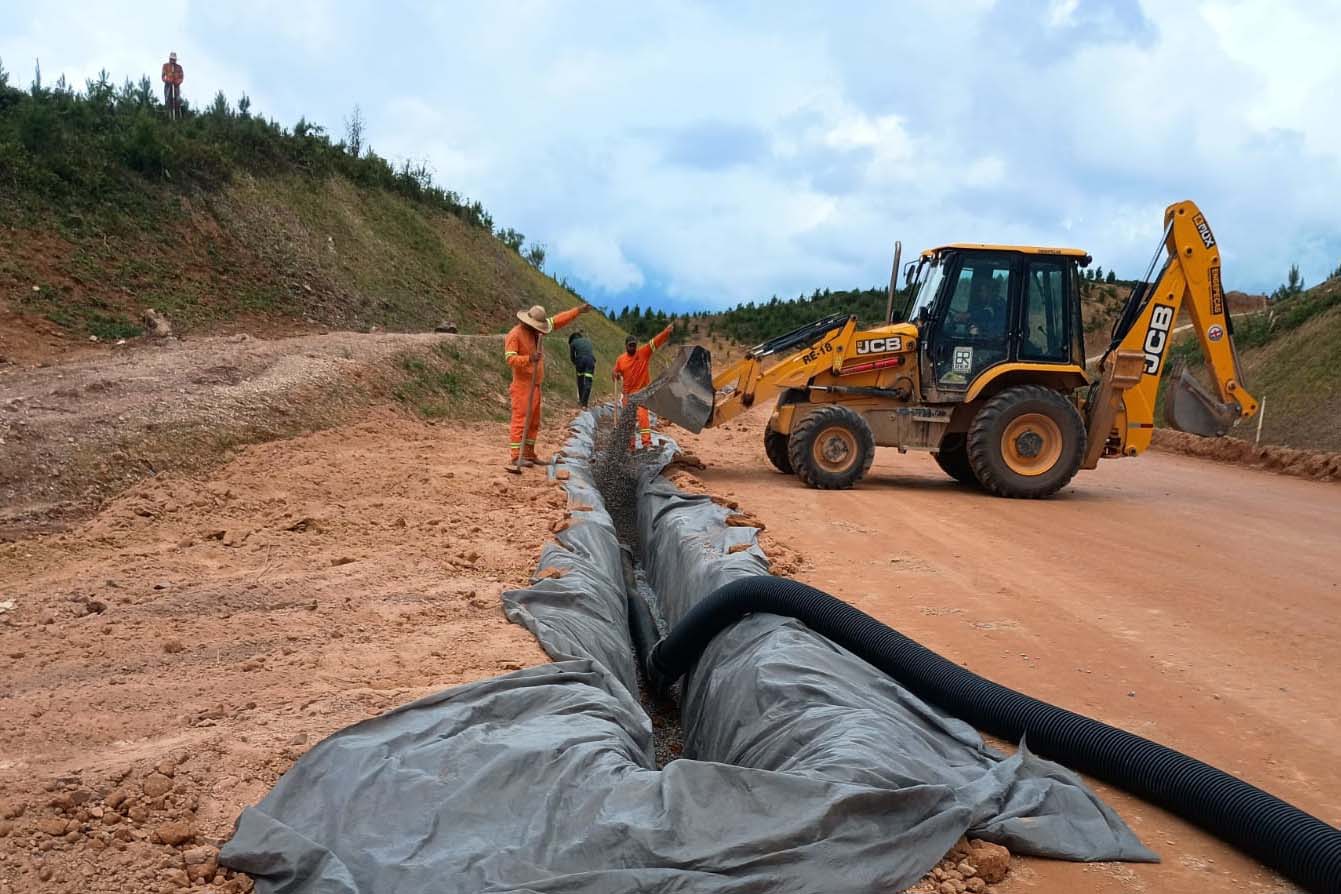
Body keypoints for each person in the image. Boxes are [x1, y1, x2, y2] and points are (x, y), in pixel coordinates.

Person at [504, 302, 589, 469]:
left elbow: (558, 320)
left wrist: (577, 310)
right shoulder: (515, 335)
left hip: (535, 385)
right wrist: (529, 359)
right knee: (521, 420)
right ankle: (516, 456)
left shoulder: (537, 331)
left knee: (534, 421)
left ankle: (529, 453)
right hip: (522, 386)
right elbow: (510, 359)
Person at [612, 323, 674, 450]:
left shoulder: (643, 353)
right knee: (629, 421)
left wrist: (666, 332)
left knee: (643, 417)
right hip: (627, 395)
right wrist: (615, 374)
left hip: (641, 393)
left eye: (634, 345)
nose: (633, 347)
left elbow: (655, 342)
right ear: (626, 346)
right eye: (630, 345)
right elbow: (616, 371)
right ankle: (630, 446)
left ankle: (646, 444)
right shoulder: (621, 359)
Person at [568, 329, 596, 408]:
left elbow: (572, 357)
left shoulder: (573, 343)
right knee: (588, 381)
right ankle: (585, 403)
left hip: (580, 361)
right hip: (590, 360)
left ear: (572, 339)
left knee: (580, 381)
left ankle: (581, 401)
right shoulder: (588, 341)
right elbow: (589, 352)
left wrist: (575, 364)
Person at [161, 52, 184, 120]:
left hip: (176, 85)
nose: (173, 61)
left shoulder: (179, 67)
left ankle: (177, 116)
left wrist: (178, 81)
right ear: (169, 59)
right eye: (172, 59)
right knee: (167, 99)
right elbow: (163, 76)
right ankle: (168, 116)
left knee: (177, 100)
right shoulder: (165, 66)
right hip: (168, 85)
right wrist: (166, 80)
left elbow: (181, 77)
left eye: (174, 59)